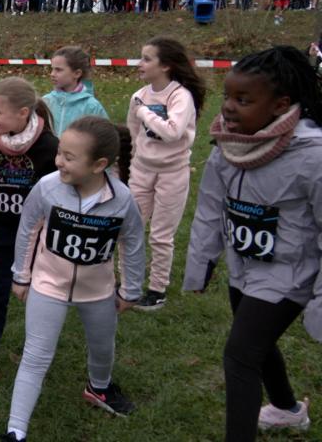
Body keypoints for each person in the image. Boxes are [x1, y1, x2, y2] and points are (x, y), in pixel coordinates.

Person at [183, 46, 322, 440]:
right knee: (257, 345)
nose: (228, 108)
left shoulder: (313, 157)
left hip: (291, 272)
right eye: (227, 96)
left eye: (243, 100)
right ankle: (286, 409)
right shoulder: (229, 145)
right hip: (245, 266)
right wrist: (202, 263)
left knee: (240, 355)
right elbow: (210, 209)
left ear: (280, 105)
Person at [0, 117, 146, 442]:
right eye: (60, 153)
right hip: (48, 285)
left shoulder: (122, 199)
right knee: (36, 355)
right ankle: (15, 430)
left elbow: (133, 241)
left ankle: (99, 388)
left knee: (102, 347)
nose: (58, 161)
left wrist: (131, 288)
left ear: (100, 165)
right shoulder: (47, 187)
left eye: (69, 156)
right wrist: (21, 276)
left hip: (98, 292)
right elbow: (28, 229)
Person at [0, 78, 58, 388]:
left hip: (38, 238)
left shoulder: (50, 147)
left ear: (23, 113)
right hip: (0, 234)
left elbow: (58, 198)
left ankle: (38, 353)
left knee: (40, 296)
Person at [126, 37, 206, 311]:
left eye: (147, 59)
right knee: (131, 228)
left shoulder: (180, 96)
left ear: (167, 66)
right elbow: (133, 131)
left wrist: (146, 113)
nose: (141, 64)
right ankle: (128, 282)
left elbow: (172, 132)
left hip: (172, 173)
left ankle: (157, 288)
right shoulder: (139, 95)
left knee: (160, 235)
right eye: (141, 57)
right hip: (141, 171)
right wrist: (137, 159)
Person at [43, 46, 109, 136]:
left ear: (77, 73)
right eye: (52, 69)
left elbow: (105, 138)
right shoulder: (46, 102)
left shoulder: (92, 107)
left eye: (58, 70)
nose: (52, 74)